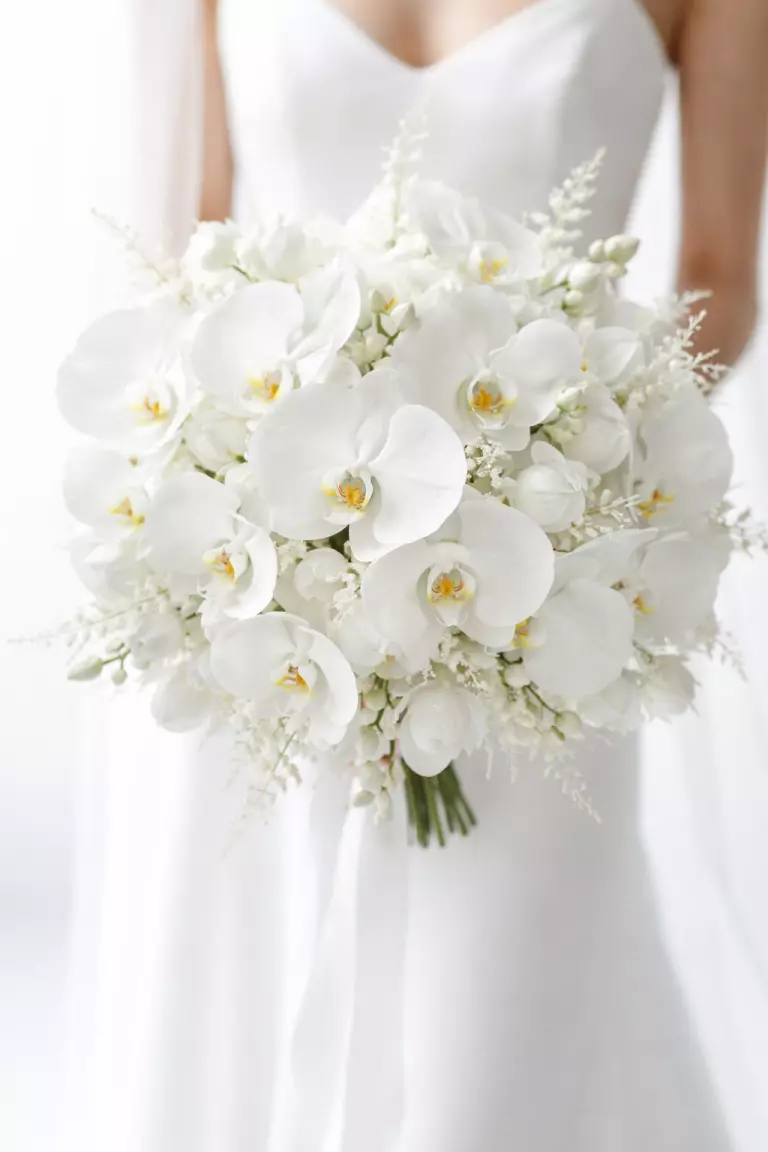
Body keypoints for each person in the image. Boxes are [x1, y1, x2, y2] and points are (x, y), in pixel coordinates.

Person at [61, 2, 768, 1149]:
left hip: (539, 598)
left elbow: (716, 279)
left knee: (502, 1045)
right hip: (265, 615)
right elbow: (181, 260)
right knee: (258, 1002)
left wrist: (573, 434)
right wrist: (253, 482)